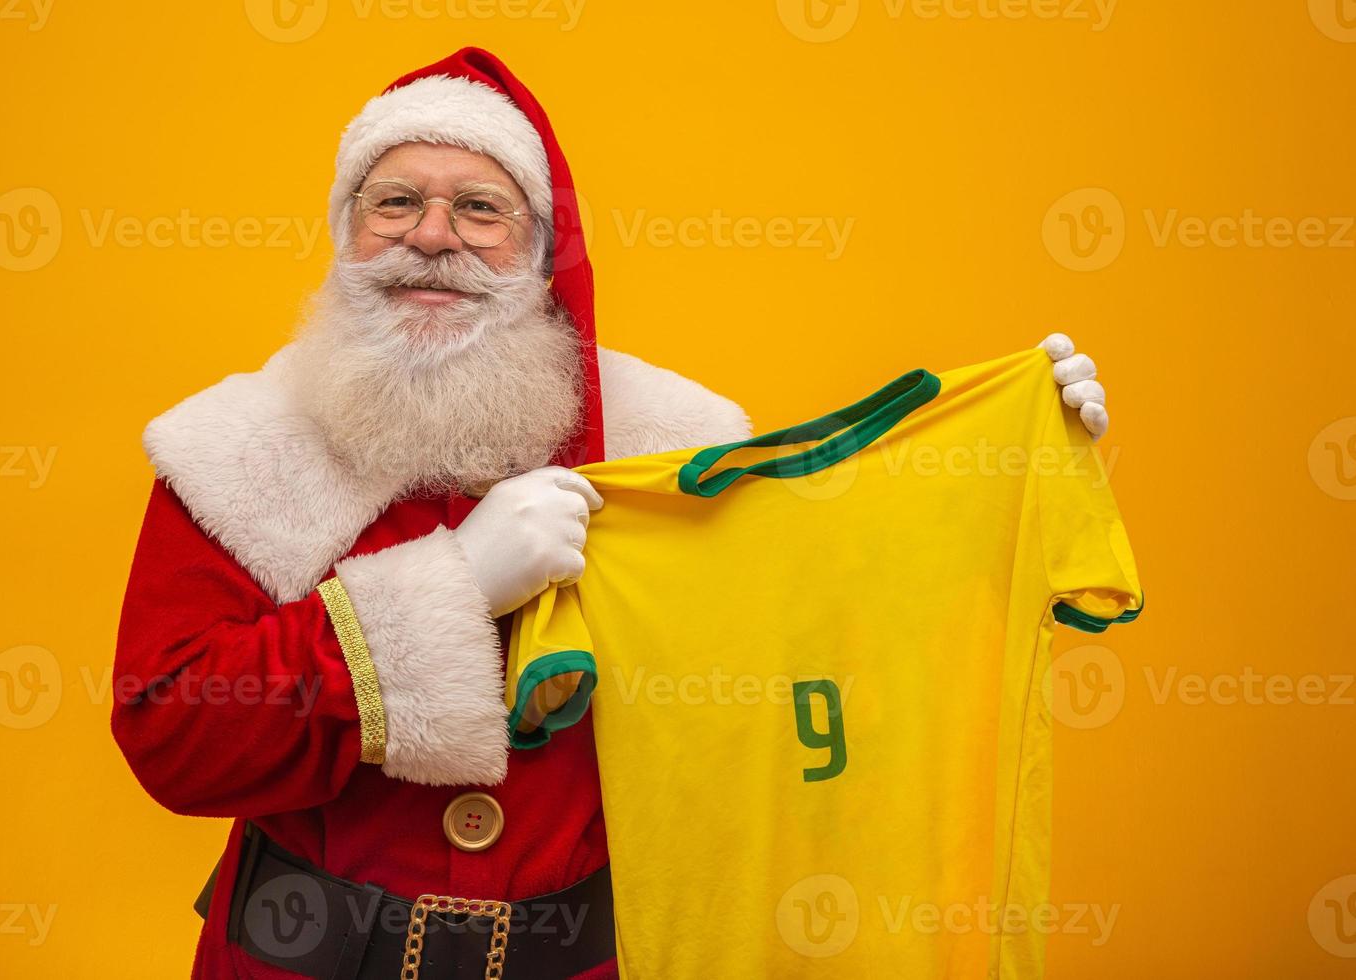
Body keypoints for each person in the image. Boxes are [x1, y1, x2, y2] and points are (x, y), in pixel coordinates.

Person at [111, 46, 1110, 980]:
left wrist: (1009, 468)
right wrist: (451, 588)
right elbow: (175, 728)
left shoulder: (673, 443)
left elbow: (816, 672)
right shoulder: (238, 447)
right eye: (395, 202)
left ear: (541, 254)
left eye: (480, 208)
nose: (431, 234)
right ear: (346, 235)